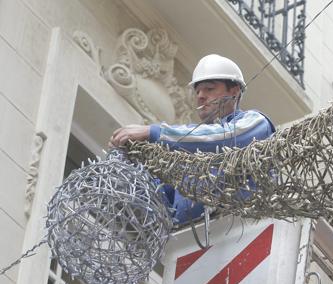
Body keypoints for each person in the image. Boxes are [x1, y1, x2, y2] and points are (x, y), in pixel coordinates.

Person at [109, 54, 275, 225]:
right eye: (198, 91)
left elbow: (225, 138)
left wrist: (154, 132)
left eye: (209, 89)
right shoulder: (187, 152)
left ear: (234, 92)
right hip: (191, 241)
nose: (200, 96)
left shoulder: (255, 121)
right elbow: (160, 195)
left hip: (243, 226)